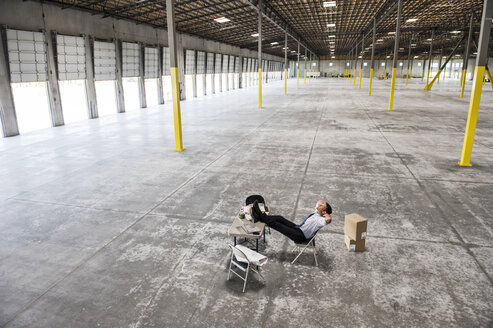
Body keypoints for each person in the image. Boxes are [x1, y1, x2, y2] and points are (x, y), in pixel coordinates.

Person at [251, 200, 332, 243]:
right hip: (298, 228)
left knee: (276, 225)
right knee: (280, 218)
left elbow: (328, 220)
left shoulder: (320, 220)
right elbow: (319, 201)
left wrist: (327, 215)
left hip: (300, 236)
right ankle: (259, 216)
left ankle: (259, 215)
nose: (319, 205)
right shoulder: (316, 211)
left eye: (322, 206)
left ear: (324, 212)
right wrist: (323, 205)